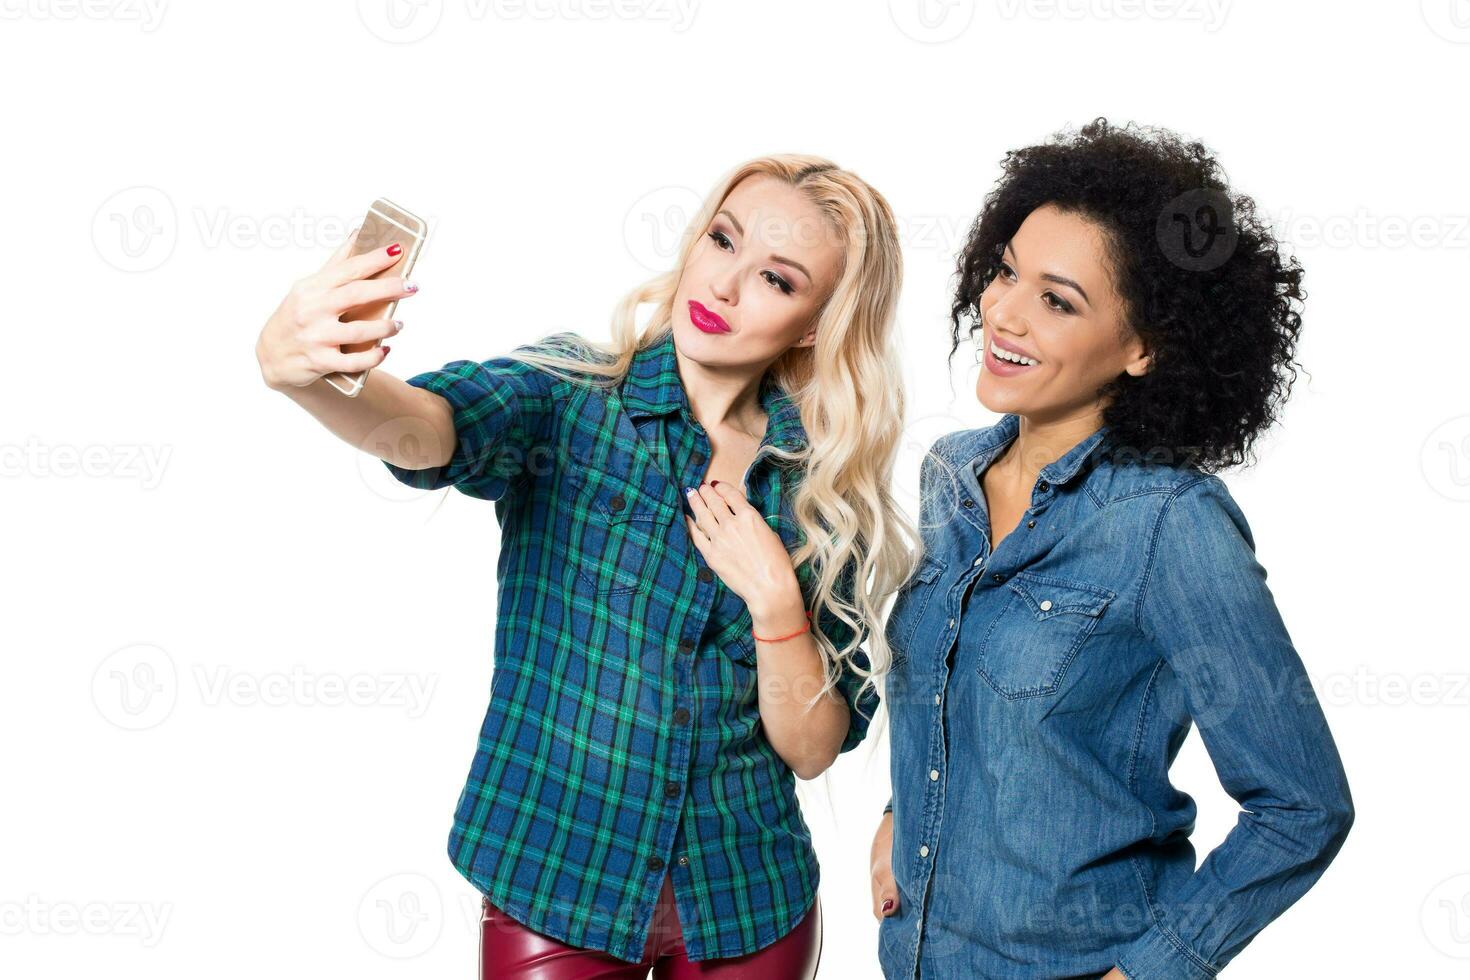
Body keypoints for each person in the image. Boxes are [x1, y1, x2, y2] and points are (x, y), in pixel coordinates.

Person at [256, 154, 914, 978]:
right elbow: (431, 431)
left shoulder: (820, 490)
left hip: (750, 904)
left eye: (777, 281)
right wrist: (319, 380)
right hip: (557, 883)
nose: (724, 286)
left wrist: (776, 602)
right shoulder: (569, 398)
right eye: (721, 241)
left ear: (816, 323)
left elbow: (814, 750)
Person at [869, 119, 1354, 979]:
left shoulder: (1169, 523)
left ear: (1143, 348)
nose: (1004, 312)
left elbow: (1302, 803)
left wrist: (1152, 970)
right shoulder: (950, 475)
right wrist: (896, 811)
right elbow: (957, 692)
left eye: (1058, 300)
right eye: (1007, 271)